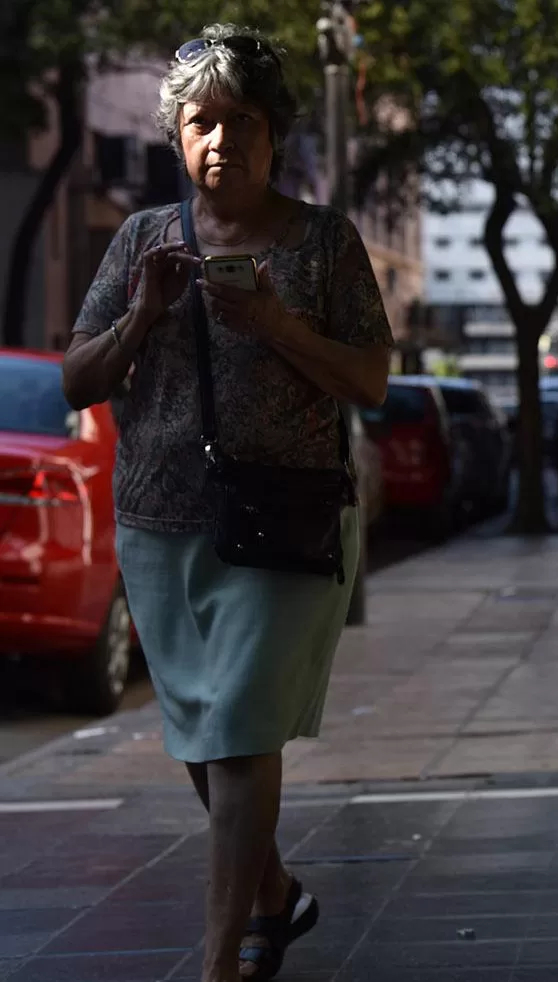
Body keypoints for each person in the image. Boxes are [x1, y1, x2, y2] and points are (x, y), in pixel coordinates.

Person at [60, 25, 391, 982]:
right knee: (205, 741)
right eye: (201, 122)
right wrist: (143, 314)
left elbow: (370, 380)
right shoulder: (140, 241)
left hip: (286, 521)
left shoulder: (323, 241)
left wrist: (277, 325)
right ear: (177, 138)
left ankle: (218, 963)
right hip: (160, 522)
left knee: (239, 730)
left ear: (274, 132)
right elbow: (79, 380)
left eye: (240, 121)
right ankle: (278, 894)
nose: (221, 141)